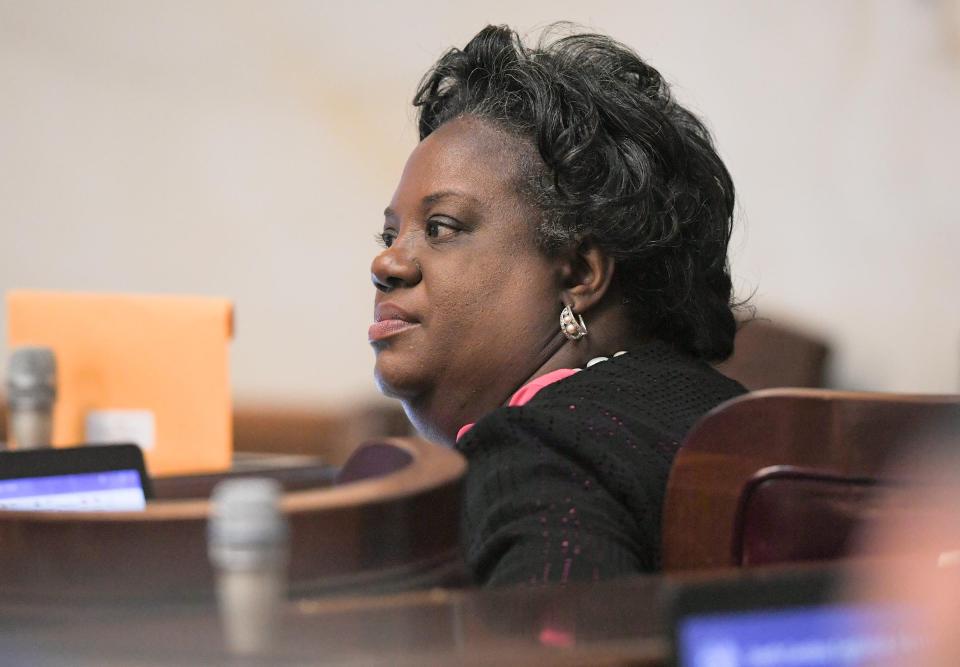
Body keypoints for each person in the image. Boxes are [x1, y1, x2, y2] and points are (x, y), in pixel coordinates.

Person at [368, 24, 745, 587]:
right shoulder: (746, 425)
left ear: (581, 274)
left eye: (441, 227)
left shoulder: (537, 450)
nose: (388, 264)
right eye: (390, 236)